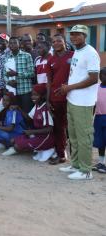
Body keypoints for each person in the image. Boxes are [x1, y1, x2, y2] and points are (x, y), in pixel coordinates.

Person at [56, 25, 100, 180]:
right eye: (71, 34)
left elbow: (93, 78)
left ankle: (86, 170)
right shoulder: (77, 52)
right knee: (73, 136)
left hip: (84, 103)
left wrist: (70, 87)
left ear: (85, 35)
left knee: (84, 137)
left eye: (77, 34)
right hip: (72, 99)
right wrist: (68, 88)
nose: (73, 37)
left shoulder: (91, 53)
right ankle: (75, 165)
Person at [3, 84, 55, 160]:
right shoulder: (37, 106)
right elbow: (28, 117)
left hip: (46, 137)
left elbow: (49, 129)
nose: (33, 97)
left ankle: (49, 149)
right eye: (32, 95)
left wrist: (32, 131)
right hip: (37, 135)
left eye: (36, 95)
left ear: (42, 96)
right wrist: (18, 108)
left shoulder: (45, 109)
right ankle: (40, 149)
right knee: (13, 140)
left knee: (18, 146)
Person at [46, 34, 74, 165]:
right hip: (56, 98)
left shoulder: (73, 56)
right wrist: (47, 99)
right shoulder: (50, 59)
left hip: (73, 97)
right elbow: (49, 81)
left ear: (64, 42)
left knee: (73, 127)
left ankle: (76, 157)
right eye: (53, 41)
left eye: (59, 41)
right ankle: (61, 154)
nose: (56, 43)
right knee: (59, 127)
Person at [4, 37, 35, 113]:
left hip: (25, 91)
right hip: (12, 91)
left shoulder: (27, 56)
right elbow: (4, 74)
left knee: (26, 112)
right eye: (10, 43)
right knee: (15, 113)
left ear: (19, 44)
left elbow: (32, 73)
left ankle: (28, 125)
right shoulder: (6, 57)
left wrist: (17, 74)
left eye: (15, 43)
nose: (12, 45)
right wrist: (8, 82)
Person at [92, 68, 106, 174]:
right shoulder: (96, 88)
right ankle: (101, 162)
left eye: (104, 75)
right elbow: (93, 104)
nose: (102, 77)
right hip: (98, 118)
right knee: (100, 141)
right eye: (101, 75)